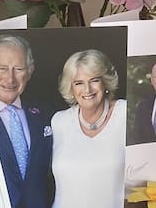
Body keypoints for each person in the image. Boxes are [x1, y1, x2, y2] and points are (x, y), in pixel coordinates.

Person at [0, 34, 54, 208]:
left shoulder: (45, 114)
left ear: (30, 72)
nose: (10, 78)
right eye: (2, 68)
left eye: (19, 69)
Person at [50, 49, 126, 208]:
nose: (87, 89)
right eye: (79, 83)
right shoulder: (59, 121)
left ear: (105, 81)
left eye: (94, 80)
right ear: (71, 87)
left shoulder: (124, 113)